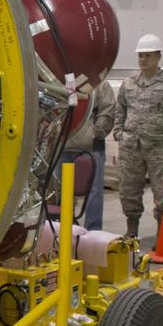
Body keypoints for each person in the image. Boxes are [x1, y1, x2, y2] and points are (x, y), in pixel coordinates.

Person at [113, 34, 163, 240]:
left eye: (148, 55)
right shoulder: (129, 84)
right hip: (131, 147)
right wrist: (119, 133)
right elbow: (119, 109)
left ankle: (162, 236)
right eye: (140, 56)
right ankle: (132, 231)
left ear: (158, 56)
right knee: (128, 190)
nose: (143, 60)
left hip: (160, 148)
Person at [59, 80, 115, 231]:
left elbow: (107, 111)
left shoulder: (99, 83)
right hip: (61, 147)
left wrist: (94, 133)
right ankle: (63, 229)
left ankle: (93, 231)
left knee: (94, 191)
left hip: (91, 147)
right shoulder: (60, 80)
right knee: (61, 191)